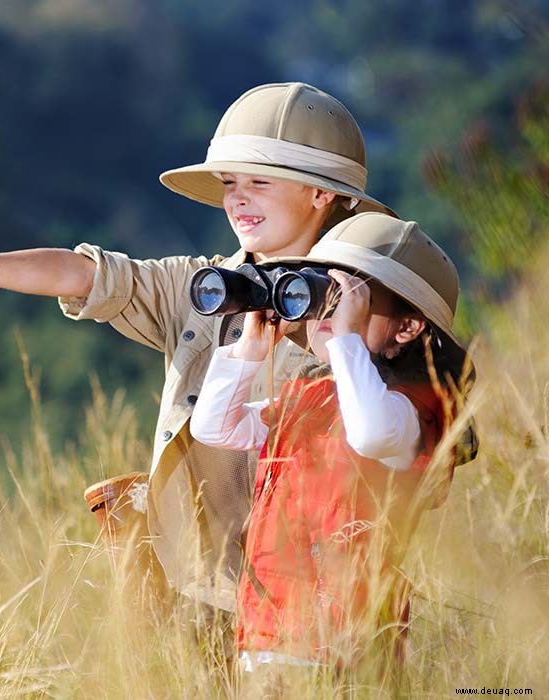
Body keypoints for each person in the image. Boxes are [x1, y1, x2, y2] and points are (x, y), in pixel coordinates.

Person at [0, 83, 395, 616]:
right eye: (230, 183)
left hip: (307, 601)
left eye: (260, 182)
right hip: (189, 587)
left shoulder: (367, 316)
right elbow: (86, 275)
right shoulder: (199, 290)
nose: (237, 199)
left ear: (320, 193)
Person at [189, 212, 473, 680]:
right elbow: (215, 427)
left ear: (407, 329)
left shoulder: (411, 411)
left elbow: (369, 432)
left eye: (350, 298)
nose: (328, 310)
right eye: (320, 289)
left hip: (347, 652)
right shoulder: (307, 397)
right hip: (265, 639)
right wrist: (248, 349)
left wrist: (346, 340)